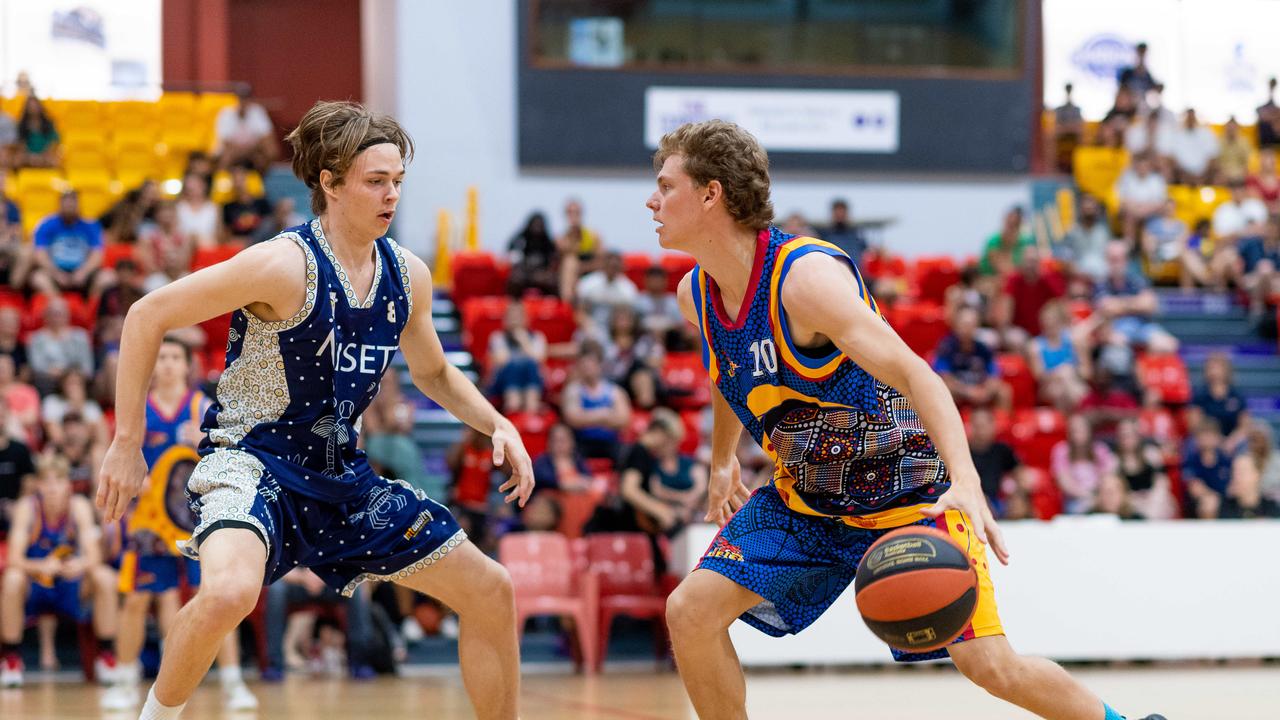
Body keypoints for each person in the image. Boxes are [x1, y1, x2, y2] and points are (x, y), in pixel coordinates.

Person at [646, 120, 1163, 720]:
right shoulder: (696, 295)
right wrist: (720, 459)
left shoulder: (805, 282)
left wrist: (966, 482)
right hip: (807, 502)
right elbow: (728, 369)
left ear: (711, 194)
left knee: (991, 666)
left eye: (665, 184)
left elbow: (921, 377)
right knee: (689, 611)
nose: (651, 200)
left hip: (910, 495)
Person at [95, 100, 534, 720]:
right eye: (376, 181)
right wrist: (125, 441)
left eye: (397, 183)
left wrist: (498, 423)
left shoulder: (406, 275)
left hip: (341, 479)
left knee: (492, 589)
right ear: (328, 182)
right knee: (229, 591)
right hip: (252, 464)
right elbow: (146, 315)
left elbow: (433, 371)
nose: (391, 196)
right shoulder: (282, 264)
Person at [100, 338, 256, 711]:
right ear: (154, 365)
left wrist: (206, 442)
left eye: (175, 358)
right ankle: (124, 679)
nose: (168, 364)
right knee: (137, 599)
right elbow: (119, 458)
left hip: (197, 516)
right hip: (149, 518)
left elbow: (234, 454)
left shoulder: (202, 408)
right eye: (163, 357)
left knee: (218, 597)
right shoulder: (137, 410)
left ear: (188, 366)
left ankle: (233, 683)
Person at [1, 454, 119, 687]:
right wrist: (40, 566)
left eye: (58, 481)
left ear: (68, 485)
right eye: (47, 482)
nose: (52, 488)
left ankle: (107, 656)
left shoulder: (79, 506)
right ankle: (12, 658)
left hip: (70, 584)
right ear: (38, 485)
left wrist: (79, 565)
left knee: (104, 577)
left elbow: (94, 557)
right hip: (36, 585)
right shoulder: (28, 507)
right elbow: (13, 559)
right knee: (12, 579)